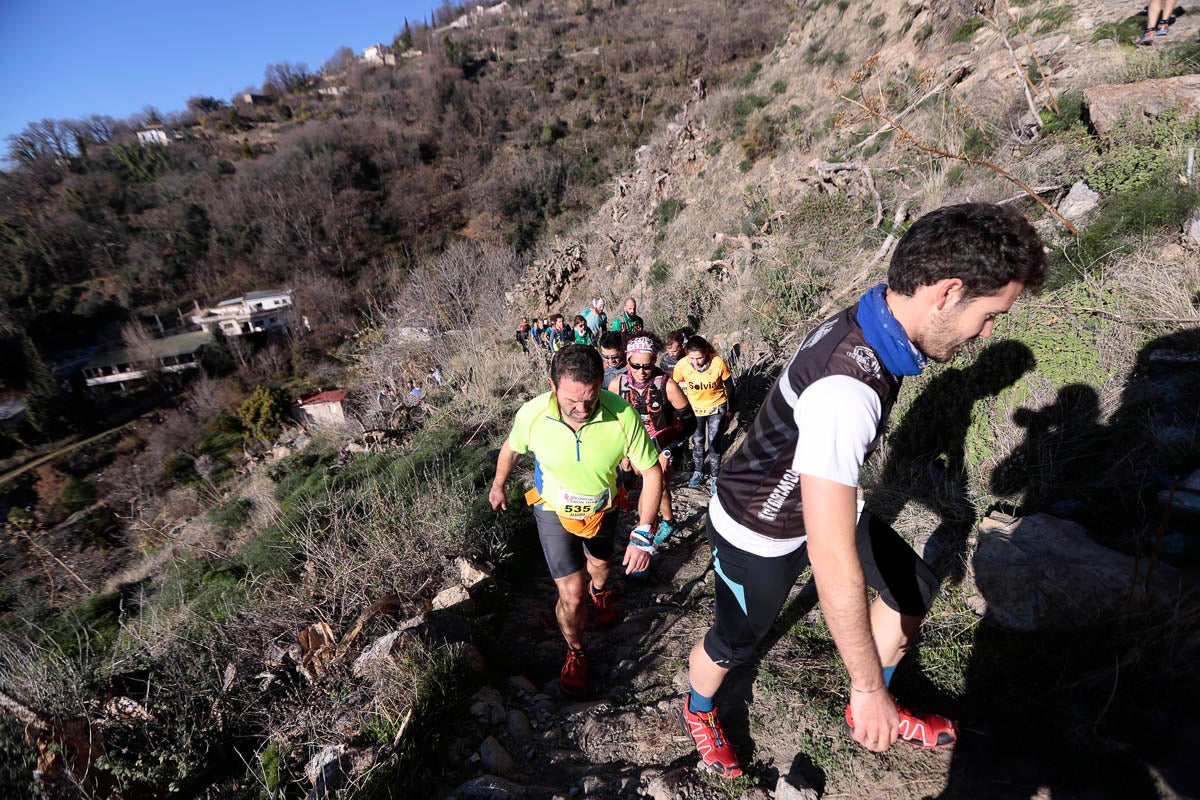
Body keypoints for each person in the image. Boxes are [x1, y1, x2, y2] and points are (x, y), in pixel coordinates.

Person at [680, 203, 1048, 778]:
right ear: (947, 292)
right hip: (761, 523)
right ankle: (701, 708)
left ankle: (869, 706)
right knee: (735, 637)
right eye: (991, 314)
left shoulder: (877, 319)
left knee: (913, 589)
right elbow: (831, 555)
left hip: (820, 493)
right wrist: (866, 681)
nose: (987, 332)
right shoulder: (848, 389)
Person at [490, 345, 664, 698]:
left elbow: (652, 470)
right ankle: (576, 651)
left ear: (601, 383)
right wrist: (498, 485)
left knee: (600, 569)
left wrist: (644, 530)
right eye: (572, 400)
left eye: (590, 398)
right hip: (552, 509)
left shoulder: (621, 416)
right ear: (552, 385)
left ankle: (600, 592)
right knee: (570, 595)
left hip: (602, 509)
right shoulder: (533, 414)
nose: (582, 409)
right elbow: (511, 448)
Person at [609, 335, 696, 555]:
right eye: (635, 365)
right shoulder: (617, 385)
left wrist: (666, 448)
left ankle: (644, 545)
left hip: (666, 443)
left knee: (652, 490)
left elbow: (689, 423)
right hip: (634, 445)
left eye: (647, 366)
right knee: (656, 486)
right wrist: (623, 453)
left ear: (655, 361)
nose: (641, 371)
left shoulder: (667, 386)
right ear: (627, 361)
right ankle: (669, 520)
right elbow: (612, 423)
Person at [672, 336, 734, 495]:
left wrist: (731, 410)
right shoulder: (682, 365)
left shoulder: (717, 362)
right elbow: (674, 386)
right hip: (695, 409)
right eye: (692, 358)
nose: (696, 362)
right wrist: (679, 410)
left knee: (714, 443)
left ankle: (715, 477)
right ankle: (698, 472)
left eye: (699, 358)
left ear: (706, 352)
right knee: (698, 441)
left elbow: (729, 386)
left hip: (716, 407)